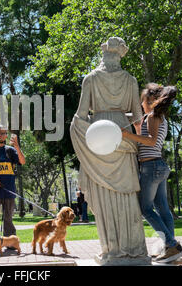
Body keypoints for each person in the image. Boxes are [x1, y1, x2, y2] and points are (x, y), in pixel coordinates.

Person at [70, 37, 150, 265]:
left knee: (105, 195)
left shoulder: (91, 79)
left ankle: (112, 250)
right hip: (123, 136)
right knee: (126, 196)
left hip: (98, 136)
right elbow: (137, 118)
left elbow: (80, 117)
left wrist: (80, 133)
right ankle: (132, 248)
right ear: (119, 56)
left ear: (104, 55)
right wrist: (137, 143)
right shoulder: (131, 80)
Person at [121, 83, 182, 263]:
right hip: (158, 166)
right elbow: (145, 137)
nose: (141, 105)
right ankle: (169, 248)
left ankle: (172, 245)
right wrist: (136, 127)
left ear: (149, 101)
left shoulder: (152, 116)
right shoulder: (159, 117)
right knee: (163, 209)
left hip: (152, 167)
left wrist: (127, 135)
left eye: (143, 102)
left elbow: (150, 141)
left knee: (146, 209)